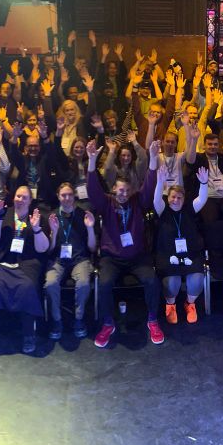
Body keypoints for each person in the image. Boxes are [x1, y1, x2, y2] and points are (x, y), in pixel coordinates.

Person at [86, 138, 162, 348]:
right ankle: (108, 323)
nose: (124, 194)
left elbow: (150, 184)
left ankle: (153, 319)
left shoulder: (138, 201)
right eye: (120, 190)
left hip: (138, 257)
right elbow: (92, 190)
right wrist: (92, 161)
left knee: (152, 281)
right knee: (103, 284)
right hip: (112, 258)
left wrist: (154, 158)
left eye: (127, 191)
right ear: (113, 189)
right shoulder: (106, 203)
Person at [0, 188, 50, 354]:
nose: (20, 199)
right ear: (14, 197)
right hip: (2, 261)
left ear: (30, 200)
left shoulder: (36, 217)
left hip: (26, 263)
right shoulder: (4, 213)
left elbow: (43, 249)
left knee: (27, 287)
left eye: (24, 197)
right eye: (18, 196)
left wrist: (36, 229)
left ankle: (28, 335)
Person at [153, 164, 209, 324]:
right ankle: (170, 305)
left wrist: (204, 184)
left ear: (184, 199)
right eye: (173, 197)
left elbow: (202, 199)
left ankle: (189, 304)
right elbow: (156, 198)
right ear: (168, 198)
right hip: (167, 255)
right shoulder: (162, 210)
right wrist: (159, 182)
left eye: (179, 197)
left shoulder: (189, 210)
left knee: (197, 278)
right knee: (172, 281)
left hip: (190, 254)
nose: (176, 200)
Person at [41, 184, 98, 340]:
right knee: (51, 283)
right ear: (58, 196)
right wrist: (52, 233)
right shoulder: (51, 217)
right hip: (58, 260)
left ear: (74, 196)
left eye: (70, 195)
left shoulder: (83, 215)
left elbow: (92, 248)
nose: (67, 198)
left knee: (84, 283)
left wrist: (91, 228)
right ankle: (57, 320)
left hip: (79, 259)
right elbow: (49, 250)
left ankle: (79, 319)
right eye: (63, 195)